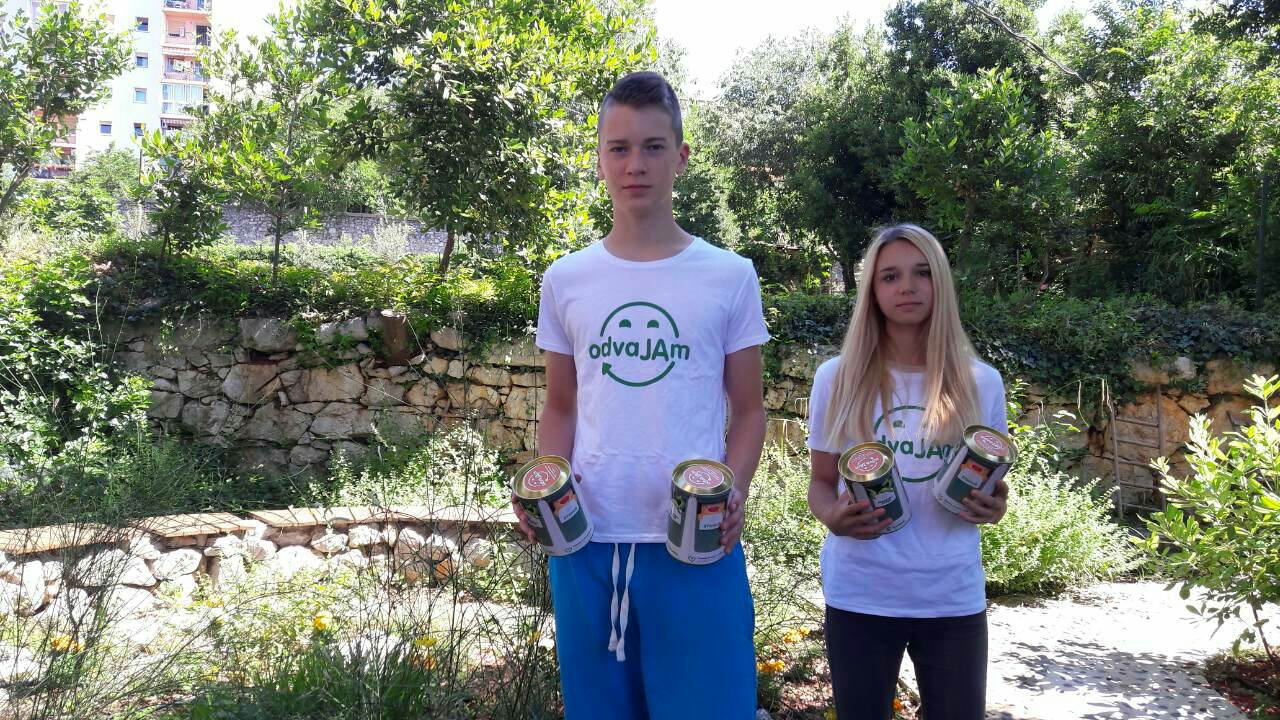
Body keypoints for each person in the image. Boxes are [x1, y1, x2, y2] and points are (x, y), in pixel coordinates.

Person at [513, 71, 769, 720]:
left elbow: (749, 410)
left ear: (680, 157)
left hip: (696, 543)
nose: (636, 165)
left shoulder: (730, 276)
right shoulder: (566, 279)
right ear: (599, 159)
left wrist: (734, 492)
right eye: (620, 148)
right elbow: (561, 406)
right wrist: (546, 484)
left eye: (654, 147)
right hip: (586, 543)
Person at [806, 223, 1010, 720]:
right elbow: (820, 483)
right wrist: (833, 516)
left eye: (922, 273)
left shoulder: (982, 383)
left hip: (951, 596)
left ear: (940, 282)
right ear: (872, 292)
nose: (908, 287)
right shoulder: (837, 378)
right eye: (890, 276)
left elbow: (993, 484)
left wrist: (995, 505)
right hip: (861, 592)